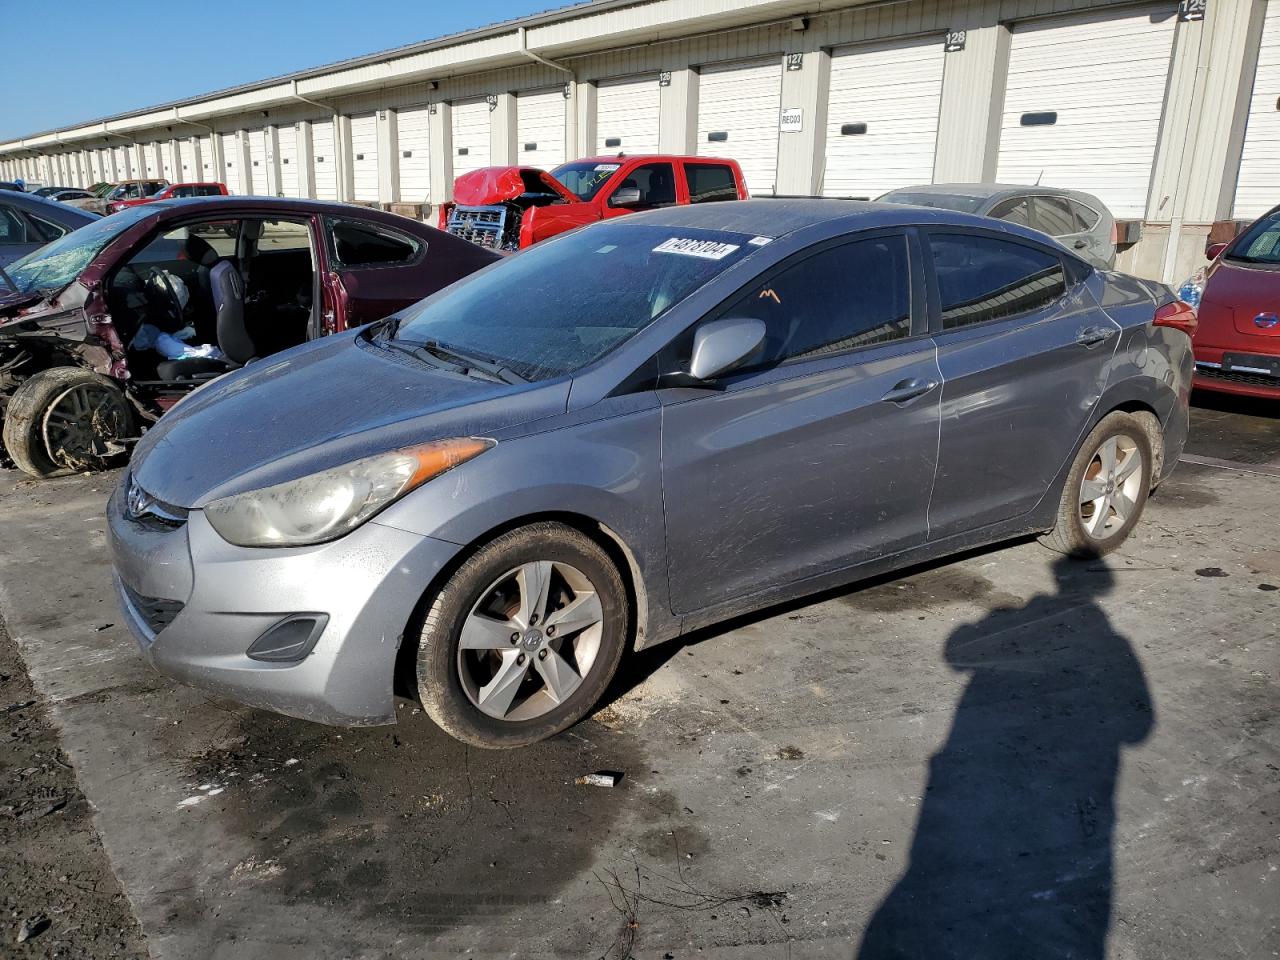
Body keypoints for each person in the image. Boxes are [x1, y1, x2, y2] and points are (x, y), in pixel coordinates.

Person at [858, 557, 1154, 960]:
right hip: (1074, 798)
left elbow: (956, 653)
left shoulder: (1048, 627)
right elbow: (1139, 729)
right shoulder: (1115, 645)